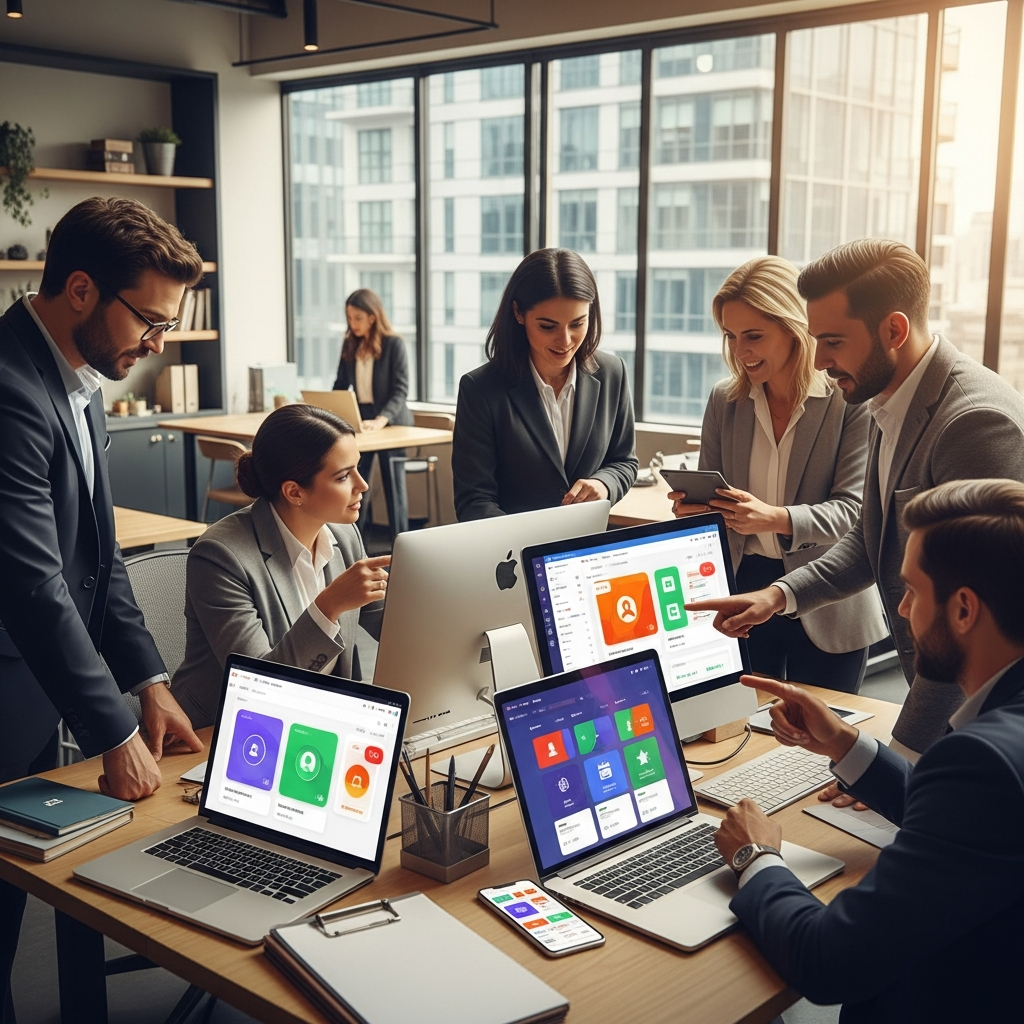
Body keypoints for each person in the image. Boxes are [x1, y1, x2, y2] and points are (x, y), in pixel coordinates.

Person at [686, 239, 1024, 759]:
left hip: (982, 721)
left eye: (834, 342)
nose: (819, 360)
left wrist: (899, 757)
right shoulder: (889, 402)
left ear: (893, 330)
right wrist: (775, 597)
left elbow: (974, 622)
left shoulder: (973, 423)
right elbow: (869, 541)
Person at [713, 478, 1024, 1022]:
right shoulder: (996, 750)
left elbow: (828, 961)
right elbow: (969, 826)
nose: (902, 611)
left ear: (964, 610)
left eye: (911, 591)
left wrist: (755, 856)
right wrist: (846, 745)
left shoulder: (983, 762)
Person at [0, 197, 204, 1024]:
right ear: (80, 290)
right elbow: (32, 581)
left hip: (37, 690)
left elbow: (99, 558)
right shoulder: (8, 386)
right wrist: (112, 730)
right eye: (150, 323)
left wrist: (149, 680)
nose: (156, 347)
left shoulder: (78, 380)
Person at [670, 257, 885, 692]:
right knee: (742, 734)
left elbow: (853, 512)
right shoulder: (725, 401)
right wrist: (695, 511)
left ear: (794, 329)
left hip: (828, 594)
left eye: (753, 336)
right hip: (744, 587)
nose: (739, 351)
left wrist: (774, 518)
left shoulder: (848, 401)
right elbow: (714, 498)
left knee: (822, 743)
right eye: (730, 336)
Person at [173, 404, 390, 728]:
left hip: (319, 721)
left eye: (357, 468)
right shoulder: (220, 556)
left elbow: (393, 626)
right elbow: (258, 686)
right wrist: (328, 605)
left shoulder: (344, 534)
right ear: (294, 491)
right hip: (227, 733)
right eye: (344, 476)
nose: (362, 485)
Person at [452, 248, 638, 519]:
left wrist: (604, 484)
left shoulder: (612, 373)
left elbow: (624, 461)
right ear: (518, 313)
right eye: (548, 326)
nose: (565, 341)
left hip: (589, 547)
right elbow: (473, 499)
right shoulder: (480, 389)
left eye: (577, 323)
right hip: (516, 553)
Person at [332, 288, 413, 537]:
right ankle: (353, 543)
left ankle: (401, 544)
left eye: (357, 318)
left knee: (393, 487)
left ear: (372, 317)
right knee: (354, 484)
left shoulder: (393, 344)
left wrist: (381, 419)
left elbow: (401, 390)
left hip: (391, 421)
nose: (352, 323)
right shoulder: (350, 344)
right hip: (361, 422)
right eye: (349, 318)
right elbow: (339, 385)